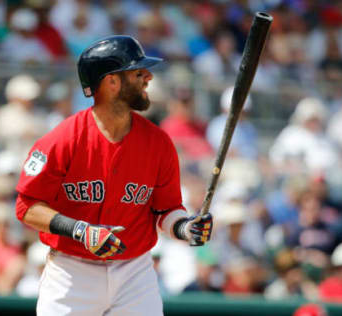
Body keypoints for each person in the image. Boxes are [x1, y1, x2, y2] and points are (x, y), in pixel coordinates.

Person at [15, 35, 213, 316]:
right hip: (72, 273)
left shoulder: (159, 142)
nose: (147, 78)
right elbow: (26, 207)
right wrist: (80, 230)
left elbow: (166, 209)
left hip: (134, 273)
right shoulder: (62, 139)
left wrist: (184, 227)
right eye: (138, 72)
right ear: (111, 82)